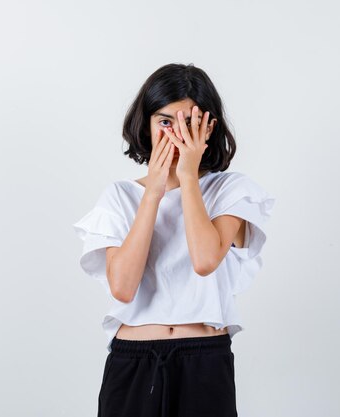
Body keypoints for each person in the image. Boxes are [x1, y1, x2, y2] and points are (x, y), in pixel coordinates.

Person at [72, 63, 276, 417]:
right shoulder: (119, 197)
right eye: (165, 122)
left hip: (203, 361)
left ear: (209, 126)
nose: (176, 134)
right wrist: (152, 192)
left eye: (190, 123)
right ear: (147, 125)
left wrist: (188, 178)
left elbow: (204, 260)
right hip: (132, 360)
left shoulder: (231, 191)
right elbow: (122, 287)